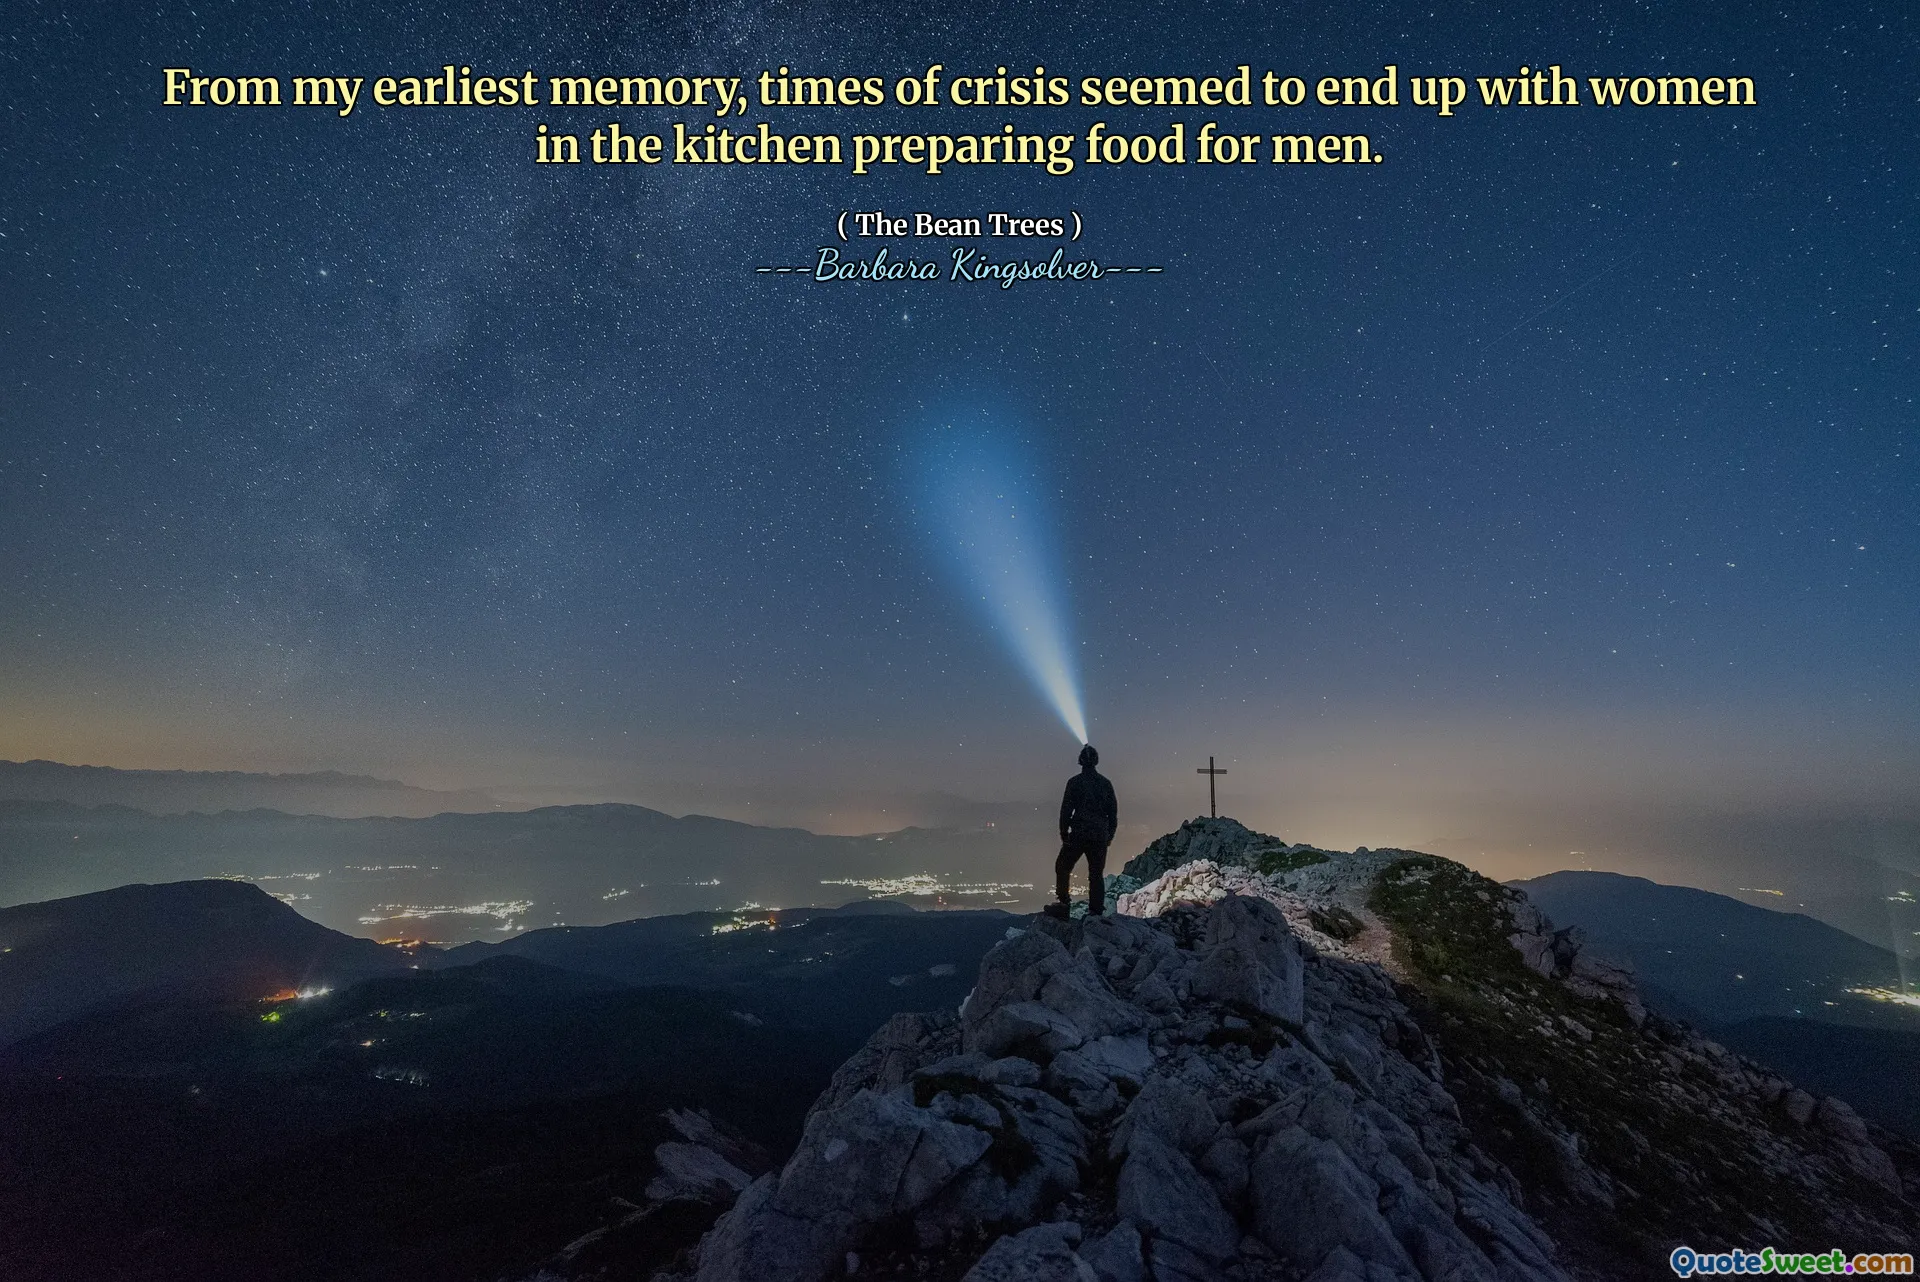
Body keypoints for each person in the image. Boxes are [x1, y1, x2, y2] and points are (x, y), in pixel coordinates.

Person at [1048, 743, 1118, 918]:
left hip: (1079, 833)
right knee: (1096, 874)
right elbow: (1113, 813)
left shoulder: (1074, 783)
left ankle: (1063, 903)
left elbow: (1065, 811)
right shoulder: (1105, 784)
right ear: (1096, 761)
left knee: (1062, 866)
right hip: (1099, 835)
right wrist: (1109, 836)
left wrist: (1064, 833)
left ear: (1080, 761)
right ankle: (1095, 911)